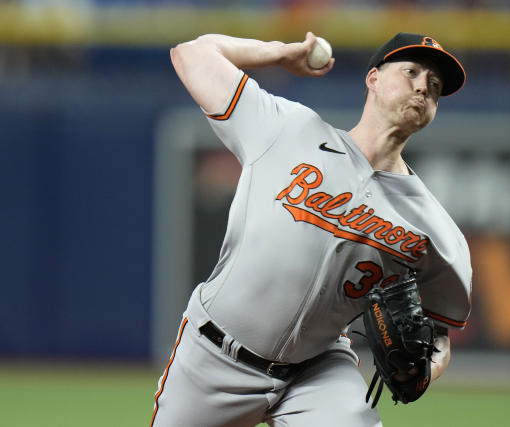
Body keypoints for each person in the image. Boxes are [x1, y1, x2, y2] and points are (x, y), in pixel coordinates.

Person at [151, 31, 472, 427]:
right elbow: (192, 54)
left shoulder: (434, 228)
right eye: (411, 72)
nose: (423, 86)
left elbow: (439, 335)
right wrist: (279, 53)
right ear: (373, 79)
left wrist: (425, 367)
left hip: (317, 370)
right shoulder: (287, 130)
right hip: (215, 355)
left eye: (435, 86)